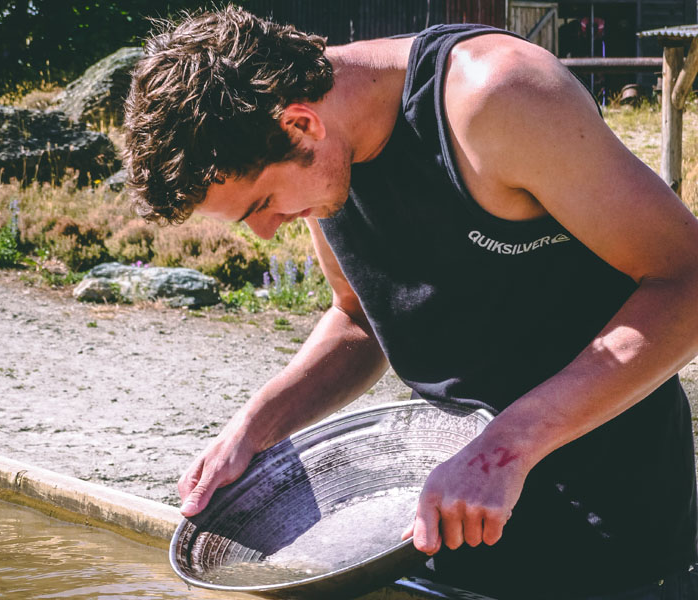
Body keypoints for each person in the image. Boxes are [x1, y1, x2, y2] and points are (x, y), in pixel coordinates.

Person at [123, 6, 698, 599]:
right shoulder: (324, 157)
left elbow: (687, 280)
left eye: (261, 204)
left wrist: (507, 446)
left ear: (301, 125)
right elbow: (358, 318)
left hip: (608, 527)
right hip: (441, 521)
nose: (267, 232)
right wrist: (255, 427)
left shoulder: (497, 96)